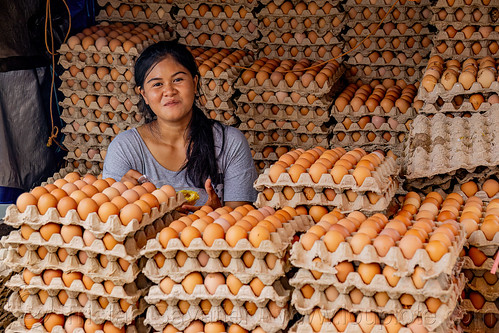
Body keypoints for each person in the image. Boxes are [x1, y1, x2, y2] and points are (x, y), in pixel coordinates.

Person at [102, 40, 258, 210]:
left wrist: (216, 213)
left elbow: (242, 224)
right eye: (157, 84)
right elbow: (111, 219)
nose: (169, 91)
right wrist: (121, 198)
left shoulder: (230, 143)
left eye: (177, 79)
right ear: (144, 95)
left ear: (195, 83)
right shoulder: (125, 149)